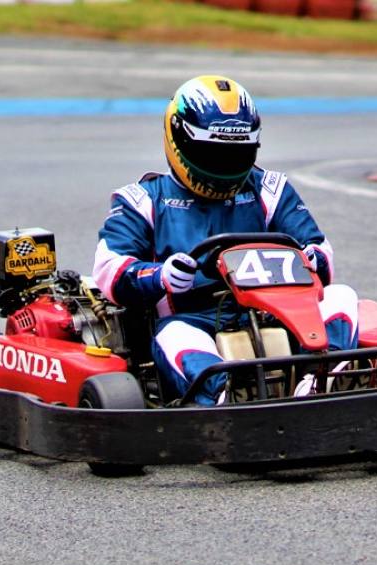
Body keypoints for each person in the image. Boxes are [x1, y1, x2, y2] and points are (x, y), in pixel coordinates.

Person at [93, 74, 359, 406]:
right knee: (174, 336)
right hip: (194, 318)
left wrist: (314, 258)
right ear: (180, 139)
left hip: (279, 311)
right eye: (213, 154)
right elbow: (110, 270)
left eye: (235, 154)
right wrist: (160, 276)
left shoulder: (270, 190)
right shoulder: (142, 200)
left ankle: (322, 376)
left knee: (341, 296)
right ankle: (224, 396)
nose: (225, 165)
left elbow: (317, 247)